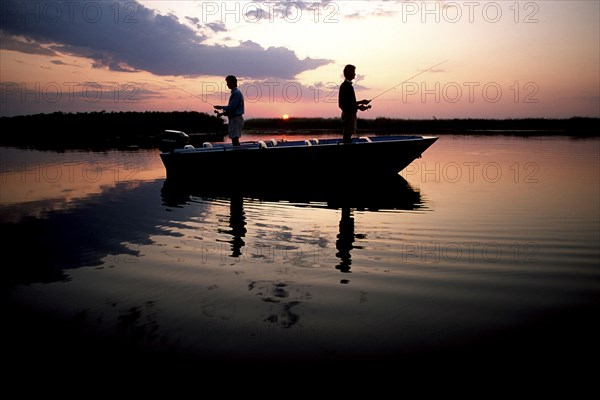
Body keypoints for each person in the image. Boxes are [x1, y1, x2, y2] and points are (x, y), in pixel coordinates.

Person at [338, 64, 371, 143]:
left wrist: (362, 102)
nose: (355, 74)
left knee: (348, 136)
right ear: (348, 73)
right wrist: (359, 107)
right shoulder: (346, 86)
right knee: (347, 136)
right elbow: (343, 104)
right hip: (348, 116)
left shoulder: (347, 85)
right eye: (353, 72)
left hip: (349, 115)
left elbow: (350, 102)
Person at [214, 75, 245, 146]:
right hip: (234, 119)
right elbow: (232, 109)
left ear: (233, 83)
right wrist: (222, 113)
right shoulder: (235, 93)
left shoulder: (236, 93)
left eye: (228, 83)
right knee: (234, 138)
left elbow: (232, 107)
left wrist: (221, 107)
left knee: (235, 138)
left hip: (236, 119)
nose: (227, 84)